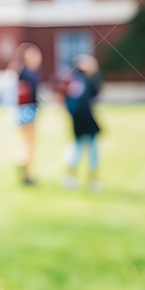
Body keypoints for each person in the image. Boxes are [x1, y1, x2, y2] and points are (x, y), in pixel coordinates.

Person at [61, 55, 103, 192]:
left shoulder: (74, 80)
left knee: (80, 148)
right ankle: (90, 180)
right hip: (85, 119)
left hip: (78, 120)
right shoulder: (83, 80)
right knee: (88, 150)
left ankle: (73, 178)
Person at [7, 43, 43, 186]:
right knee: (29, 144)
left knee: (26, 142)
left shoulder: (21, 71)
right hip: (28, 111)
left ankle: (25, 169)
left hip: (24, 110)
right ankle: (24, 166)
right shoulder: (27, 73)